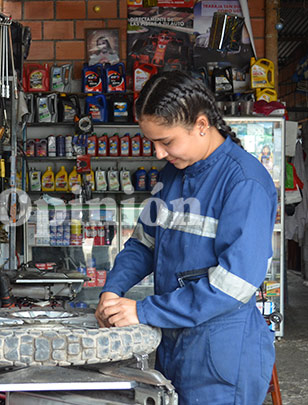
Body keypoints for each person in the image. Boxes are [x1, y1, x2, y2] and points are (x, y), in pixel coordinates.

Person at [95, 70, 276, 404]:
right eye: (152, 142)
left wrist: (144, 311)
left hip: (221, 353)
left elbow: (233, 285)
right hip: (173, 340)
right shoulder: (172, 174)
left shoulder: (244, 183)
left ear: (202, 125)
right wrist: (112, 290)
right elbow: (143, 243)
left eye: (166, 141)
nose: (159, 153)